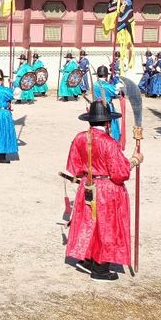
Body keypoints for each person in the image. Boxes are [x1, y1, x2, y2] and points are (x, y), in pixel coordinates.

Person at [65, 100, 142, 281]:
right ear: (108, 123)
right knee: (106, 227)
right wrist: (135, 160)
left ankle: (88, 258)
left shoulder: (79, 138)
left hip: (87, 185)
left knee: (89, 223)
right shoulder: (110, 143)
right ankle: (100, 269)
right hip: (107, 190)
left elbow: (73, 166)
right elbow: (120, 173)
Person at [92, 66, 124, 144]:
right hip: (107, 107)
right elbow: (120, 92)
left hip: (96, 107)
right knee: (111, 125)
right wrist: (117, 82)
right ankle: (112, 140)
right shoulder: (106, 86)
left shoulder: (95, 84)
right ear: (106, 76)